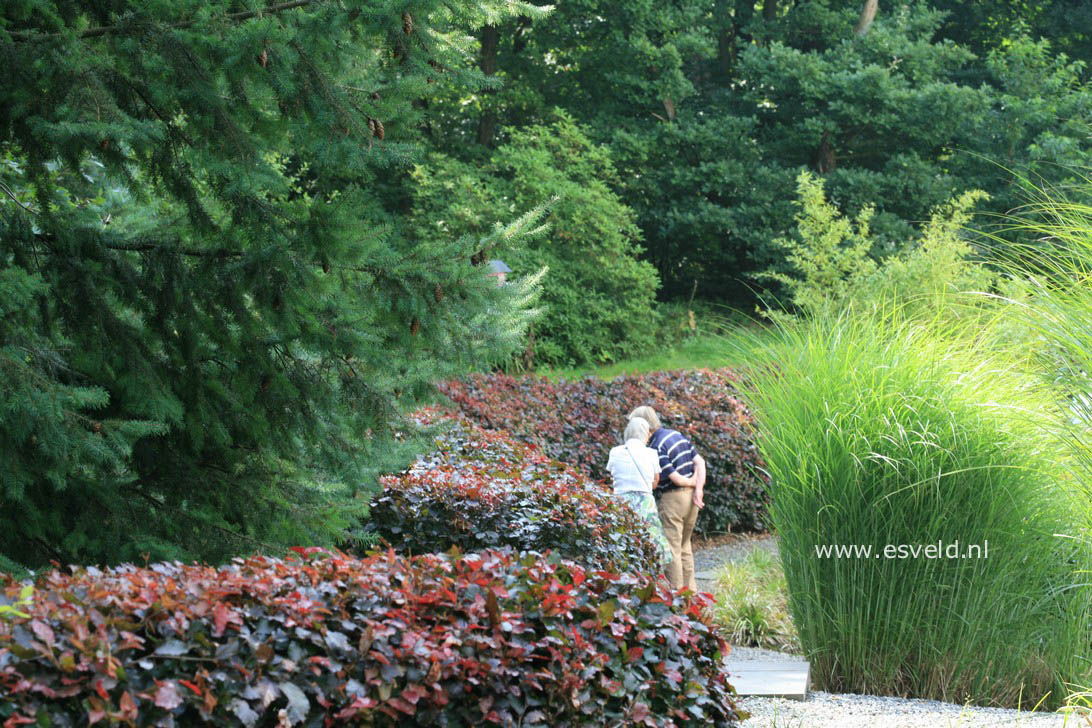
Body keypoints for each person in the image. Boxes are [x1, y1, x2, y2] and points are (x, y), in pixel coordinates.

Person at [628, 405, 706, 591]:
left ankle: (677, 596)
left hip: (673, 500)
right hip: (691, 501)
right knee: (685, 546)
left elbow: (675, 478)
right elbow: (700, 462)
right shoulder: (676, 435)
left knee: (672, 550)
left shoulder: (656, 446)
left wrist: (691, 483)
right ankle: (691, 594)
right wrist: (698, 488)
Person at [605, 417, 673, 564]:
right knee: (651, 544)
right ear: (644, 433)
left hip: (620, 502)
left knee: (622, 542)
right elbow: (655, 483)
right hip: (645, 503)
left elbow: (612, 476)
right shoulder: (651, 454)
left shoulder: (615, 452)